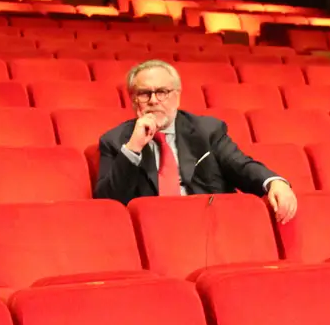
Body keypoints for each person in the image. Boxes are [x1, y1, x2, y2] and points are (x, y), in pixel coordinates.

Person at [94, 59, 298, 223]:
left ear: (177, 96)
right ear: (133, 100)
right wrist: (134, 147)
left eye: (162, 92)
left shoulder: (207, 130)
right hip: (156, 229)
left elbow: (240, 166)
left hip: (211, 225)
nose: (154, 100)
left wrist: (274, 182)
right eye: (144, 94)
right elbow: (108, 204)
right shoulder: (116, 141)